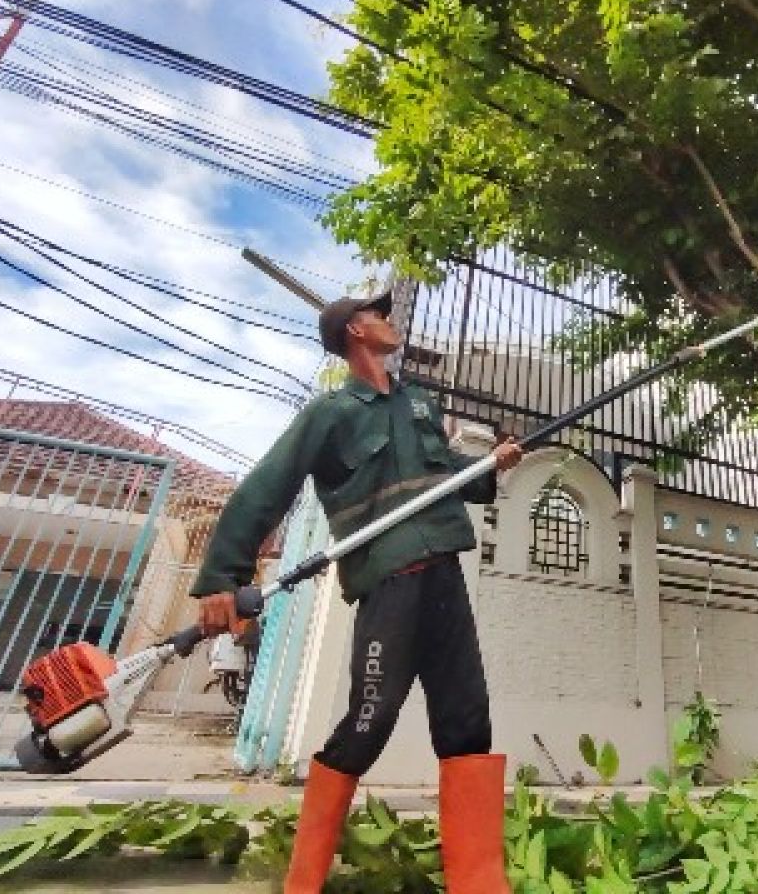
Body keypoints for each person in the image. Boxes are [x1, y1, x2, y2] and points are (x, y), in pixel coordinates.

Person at [190, 290, 522, 893]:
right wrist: (222, 578)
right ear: (355, 332)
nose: (392, 322)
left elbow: (444, 473)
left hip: (444, 574)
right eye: (380, 315)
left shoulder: (418, 404)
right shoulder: (332, 414)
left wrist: (490, 467)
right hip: (389, 582)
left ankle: (479, 883)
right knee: (368, 724)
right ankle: (303, 882)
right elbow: (267, 487)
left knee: (468, 721)